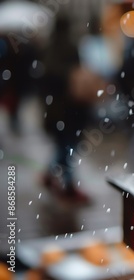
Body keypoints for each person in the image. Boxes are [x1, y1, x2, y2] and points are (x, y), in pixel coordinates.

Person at [40, 15, 103, 204]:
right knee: (67, 147)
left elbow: (44, 79)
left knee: (64, 146)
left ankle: (51, 175)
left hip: (57, 109)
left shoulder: (49, 48)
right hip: (70, 110)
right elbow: (73, 77)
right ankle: (67, 185)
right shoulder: (69, 47)